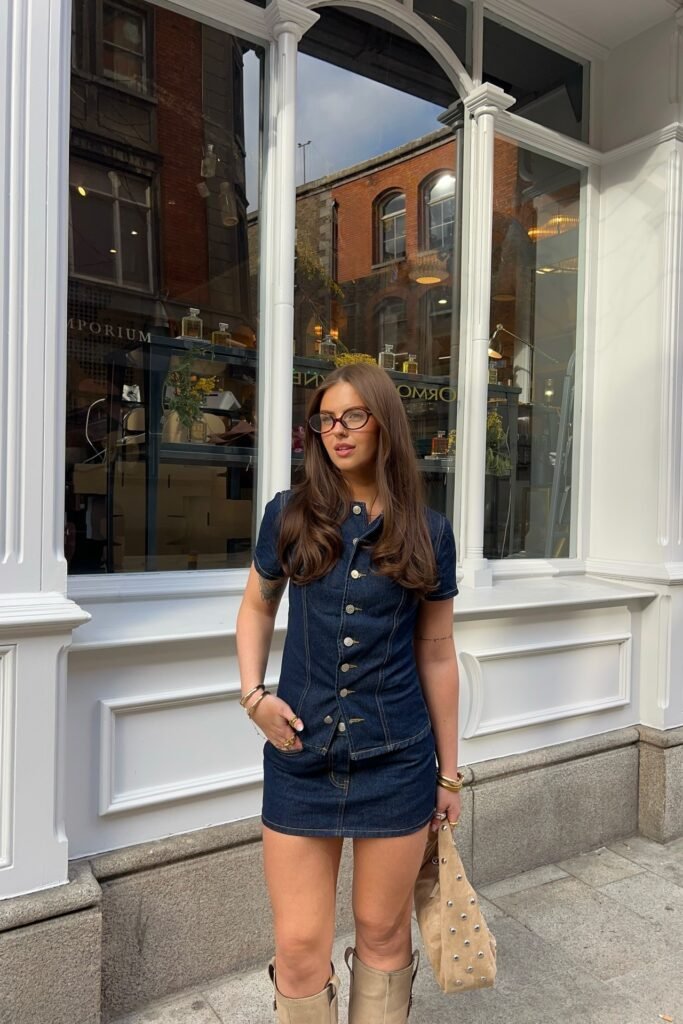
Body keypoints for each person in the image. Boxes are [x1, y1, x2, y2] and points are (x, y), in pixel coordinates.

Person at [236, 362, 461, 1023]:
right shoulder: (290, 514)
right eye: (325, 420)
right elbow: (255, 608)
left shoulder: (429, 530)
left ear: (384, 423)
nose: (336, 431)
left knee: (383, 930)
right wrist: (253, 696)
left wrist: (448, 776)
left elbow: (438, 651)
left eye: (352, 417)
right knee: (300, 942)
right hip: (300, 756)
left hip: (396, 759)